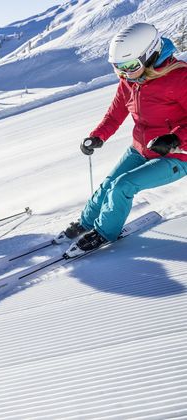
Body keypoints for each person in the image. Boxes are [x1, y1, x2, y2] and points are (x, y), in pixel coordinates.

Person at [64, 22, 187, 256]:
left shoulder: (180, 78)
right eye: (118, 67)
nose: (124, 73)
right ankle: (86, 222)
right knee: (109, 183)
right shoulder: (130, 81)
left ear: (150, 55)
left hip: (177, 155)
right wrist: (97, 136)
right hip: (141, 148)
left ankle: (104, 232)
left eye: (130, 66)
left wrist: (175, 139)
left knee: (123, 186)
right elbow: (115, 113)